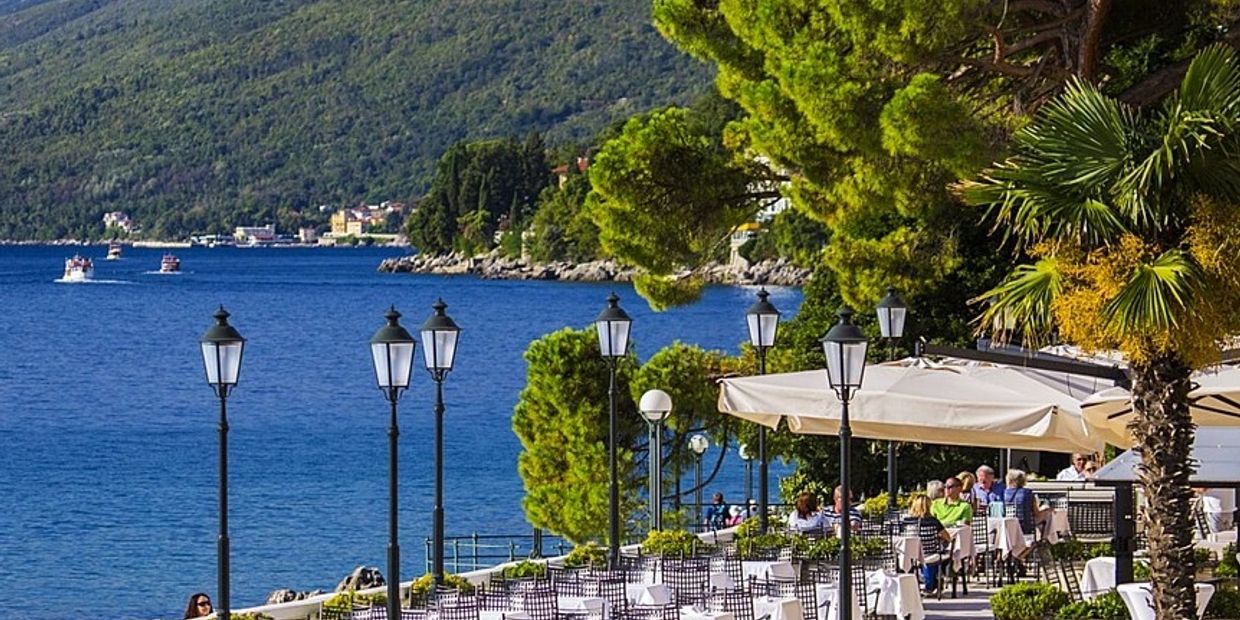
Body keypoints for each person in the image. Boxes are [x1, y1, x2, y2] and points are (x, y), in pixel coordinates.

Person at [908, 495, 951, 594]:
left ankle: (922, 583)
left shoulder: (908, 521)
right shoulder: (933, 521)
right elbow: (947, 537)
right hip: (930, 552)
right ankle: (932, 583)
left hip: (912, 553)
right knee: (942, 553)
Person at [1002, 469, 1050, 536]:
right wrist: (1046, 509)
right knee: (1048, 513)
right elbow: (1036, 513)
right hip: (1025, 526)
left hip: (1008, 527)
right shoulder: (1028, 493)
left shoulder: (1004, 493)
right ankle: (1047, 538)